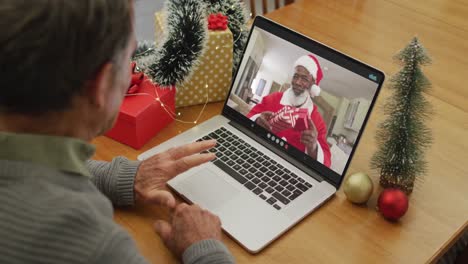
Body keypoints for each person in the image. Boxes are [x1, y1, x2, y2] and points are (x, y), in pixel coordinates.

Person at [0, 1, 234, 263]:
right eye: (130, 58)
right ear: (101, 84)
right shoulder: (96, 246)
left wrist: (123, 177)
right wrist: (205, 248)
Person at [247, 55, 331, 167]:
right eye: (295, 76)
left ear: (312, 85)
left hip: (290, 169)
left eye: (304, 79)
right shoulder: (273, 98)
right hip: (258, 155)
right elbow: (247, 118)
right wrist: (256, 120)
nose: (297, 82)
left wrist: (313, 147)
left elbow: (327, 162)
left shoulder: (317, 120)